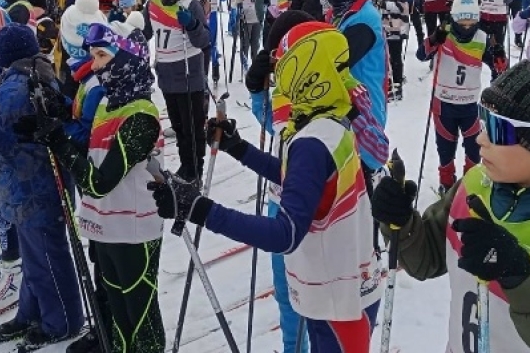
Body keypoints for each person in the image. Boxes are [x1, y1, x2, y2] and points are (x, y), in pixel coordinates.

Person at [371, 47, 530, 353]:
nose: (480, 138)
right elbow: (427, 260)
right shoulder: (476, 184)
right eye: (483, 119)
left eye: (498, 129)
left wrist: (520, 278)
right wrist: (401, 223)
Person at [149, 22, 383, 353]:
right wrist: (238, 148)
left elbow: (284, 235)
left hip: (337, 301)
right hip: (345, 289)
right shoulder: (332, 120)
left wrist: (200, 209)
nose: (278, 80)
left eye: (282, 67)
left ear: (303, 72)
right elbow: (299, 182)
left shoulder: (314, 140)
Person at [0, 24, 84, 347]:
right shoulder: (37, 75)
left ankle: (62, 321)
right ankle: (32, 311)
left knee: (47, 257)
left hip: (32, 188)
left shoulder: (17, 87)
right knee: (35, 257)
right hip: (30, 185)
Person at [53, 21, 166, 353]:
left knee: (139, 315)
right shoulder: (108, 103)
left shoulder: (141, 114)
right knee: (117, 316)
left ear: (127, 59)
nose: (95, 65)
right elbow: (92, 154)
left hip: (133, 229)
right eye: (93, 56)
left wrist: (59, 143)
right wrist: (59, 118)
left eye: (102, 56)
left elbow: (99, 182)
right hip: (103, 224)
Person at [416, 0, 491, 193]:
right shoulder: (444, 34)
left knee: (474, 147)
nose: (467, 26)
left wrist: (499, 58)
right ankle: (447, 182)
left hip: (470, 104)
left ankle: (470, 182)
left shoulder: (482, 38)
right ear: (454, 18)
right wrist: (433, 39)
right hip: (444, 103)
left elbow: (498, 68)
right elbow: (421, 55)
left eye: (471, 21)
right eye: (462, 21)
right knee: (445, 147)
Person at [142, 0, 210, 182]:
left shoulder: (191, 4)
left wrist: (191, 24)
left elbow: (203, 40)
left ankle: (195, 170)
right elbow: (143, 34)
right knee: (179, 128)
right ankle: (185, 167)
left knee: (193, 129)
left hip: (189, 75)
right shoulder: (152, 4)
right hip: (167, 76)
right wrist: (126, 27)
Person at [323, 0, 388, 133]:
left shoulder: (363, 21)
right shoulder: (343, 13)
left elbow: (330, 67)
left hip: (362, 119)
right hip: (346, 112)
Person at [376, 0, 410, 100]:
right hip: (387, 25)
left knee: (394, 57)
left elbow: (401, 6)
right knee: (389, 57)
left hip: (395, 26)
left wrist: (382, 3)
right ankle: (391, 84)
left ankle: (397, 86)